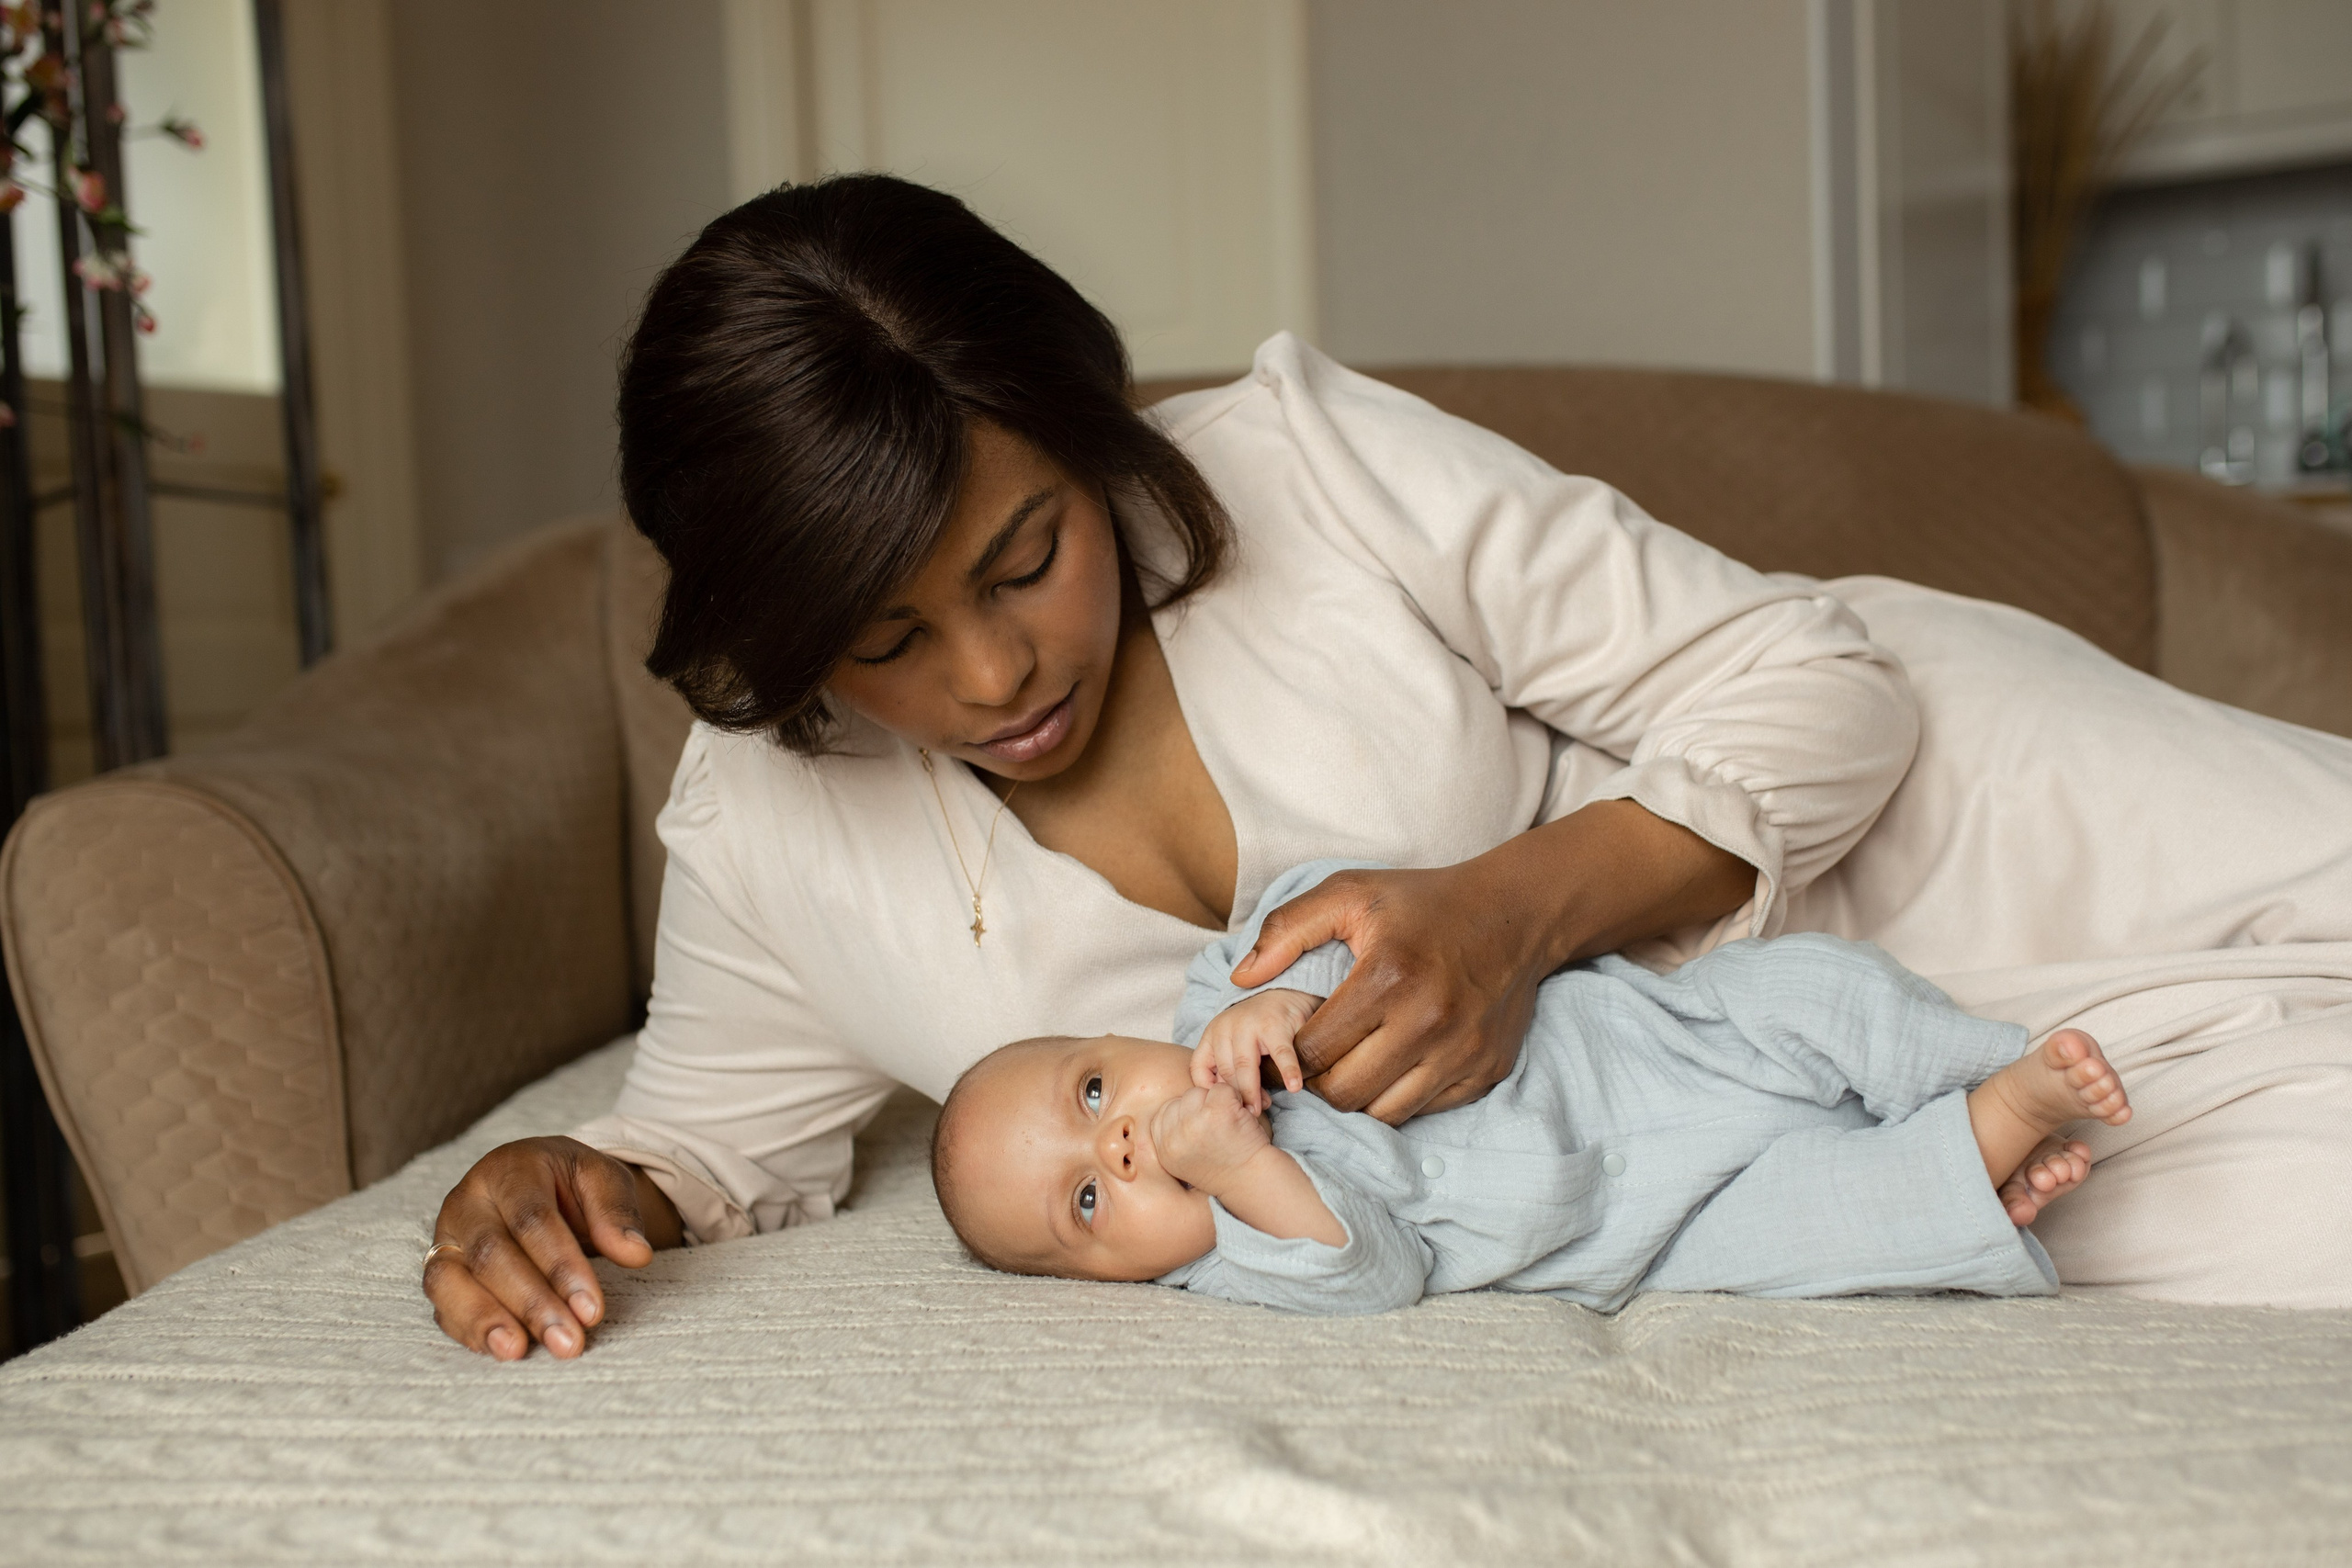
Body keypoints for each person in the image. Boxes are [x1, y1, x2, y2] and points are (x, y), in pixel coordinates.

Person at [422, 174, 2352, 1361]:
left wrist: (1513, 913)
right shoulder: (769, 820)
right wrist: (544, 1190)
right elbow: (698, 1152)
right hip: (1751, 1147)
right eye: (884, 640)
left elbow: (1808, 680)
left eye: (1024, 559)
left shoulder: (1301, 463)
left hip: (1943, 818)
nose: (998, 671)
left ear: (1090, 436)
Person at [931, 861, 2136, 1313]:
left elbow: (1343, 909)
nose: (1123, 1149)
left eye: (1094, 1096)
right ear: (1109, 1281)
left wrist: (1284, 1002)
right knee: (1825, 1230)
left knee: (1813, 991)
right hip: (1648, 1230)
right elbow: (1372, 1272)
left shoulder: (1222, 992)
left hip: (1647, 1045)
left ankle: (1972, 1063)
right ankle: (2001, 1124)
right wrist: (1242, 1167)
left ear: (1113, 1034)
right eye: (1088, 1203)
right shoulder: (1237, 1258)